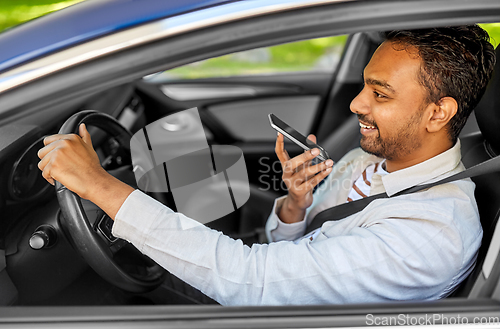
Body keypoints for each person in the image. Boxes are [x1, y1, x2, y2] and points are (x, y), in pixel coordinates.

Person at [37, 25, 495, 305]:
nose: (356, 104)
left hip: (261, 297)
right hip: (275, 269)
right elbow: (294, 244)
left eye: (380, 94)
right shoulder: (379, 159)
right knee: (180, 152)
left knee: (107, 283)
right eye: (363, 86)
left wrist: (98, 186)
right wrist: (296, 205)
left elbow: (253, 284)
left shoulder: (427, 235)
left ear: (439, 112)